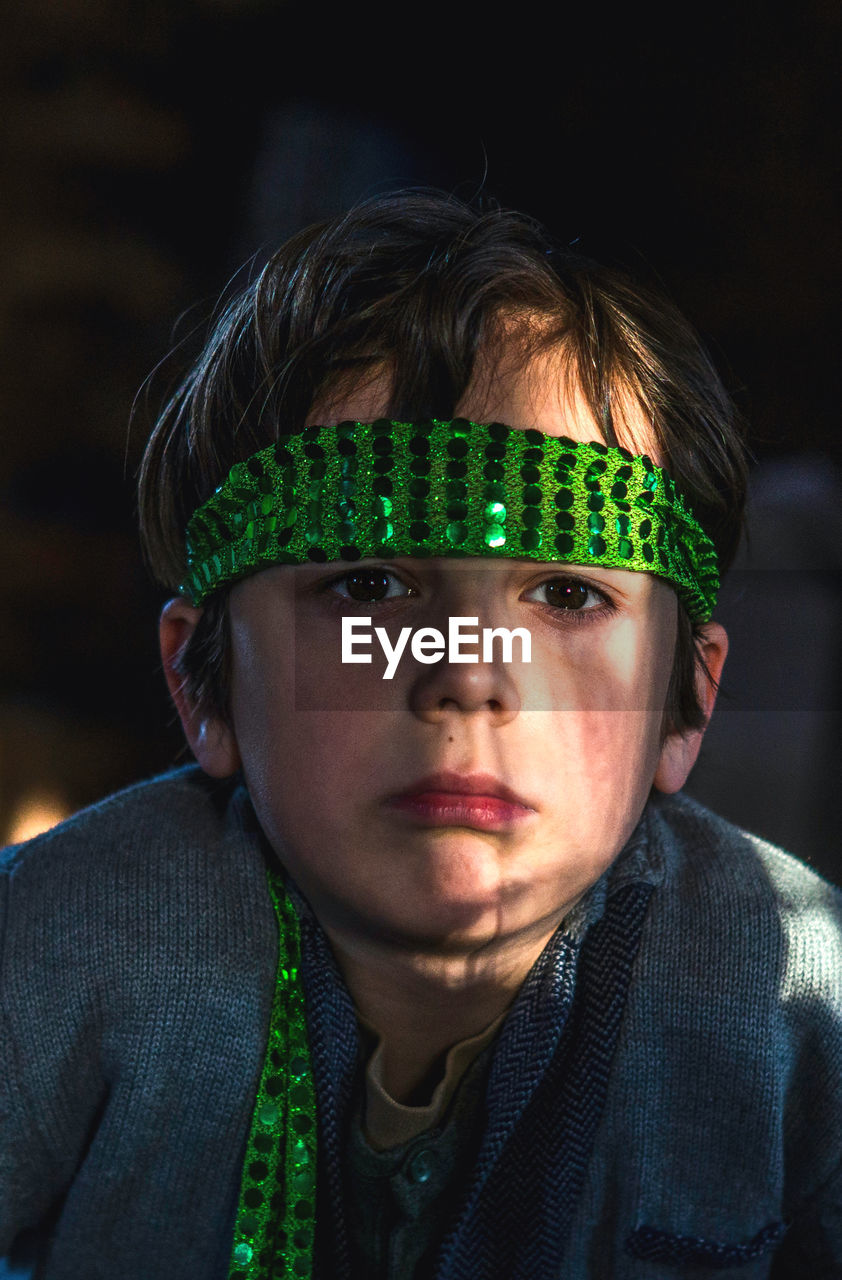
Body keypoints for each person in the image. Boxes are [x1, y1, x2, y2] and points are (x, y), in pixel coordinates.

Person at [2, 192, 840, 1280]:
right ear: (201, 682)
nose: (466, 675)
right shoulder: (59, 945)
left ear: (682, 705)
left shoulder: (796, 1005)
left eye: (566, 592)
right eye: (369, 584)